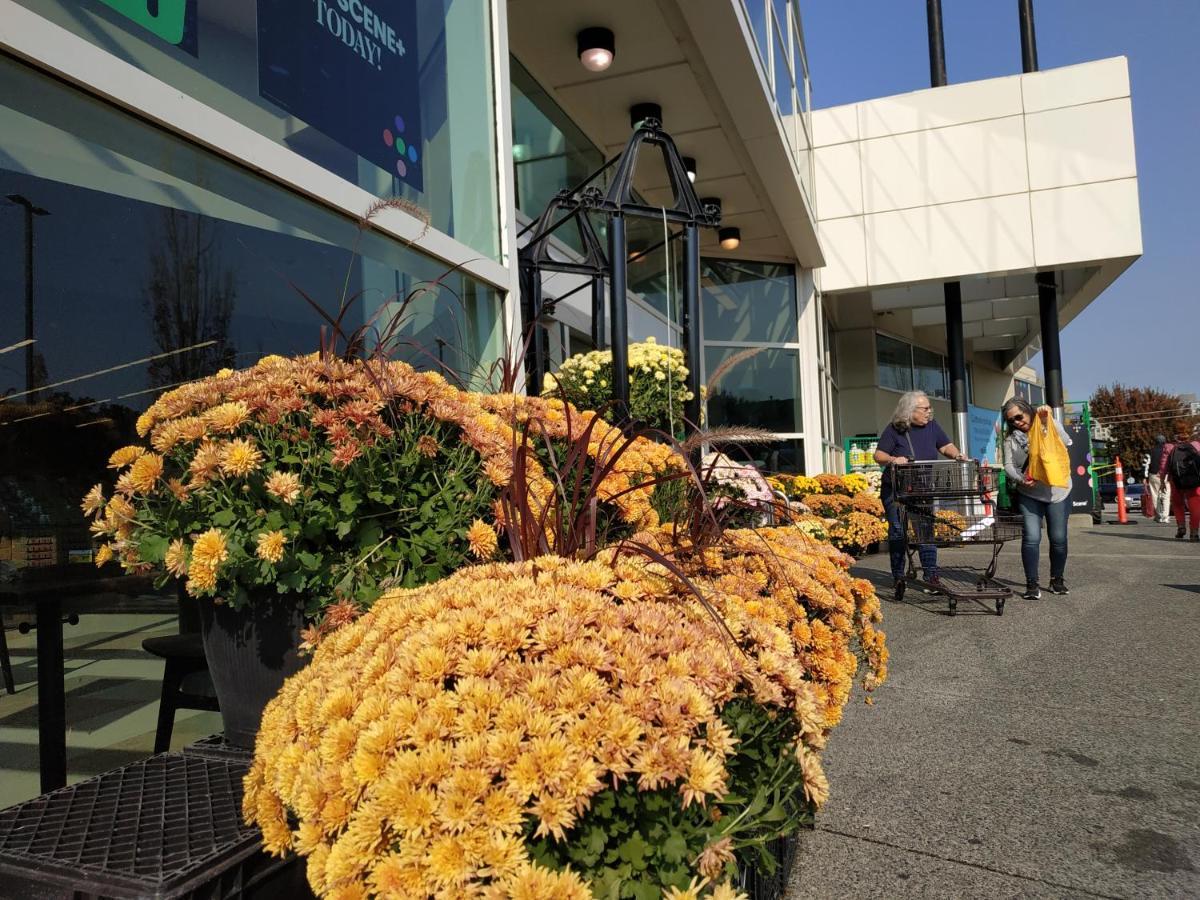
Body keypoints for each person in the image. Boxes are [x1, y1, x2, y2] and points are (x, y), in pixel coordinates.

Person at [874, 391, 967, 592]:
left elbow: (945, 445)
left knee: (925, 531)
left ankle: (931, 576)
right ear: (910, 410)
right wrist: (893, 459)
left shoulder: (932, 426)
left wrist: (957, 454)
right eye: (925, 408)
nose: (929, 412)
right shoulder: (894, 430)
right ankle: (898, 575)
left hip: (922, 488)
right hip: (896, 490)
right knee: (898, 531)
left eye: (929, 408)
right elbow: (879, 455)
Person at [1002, 398, 1072, 599]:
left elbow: (1066, 441)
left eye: (1019, 416)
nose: (1016, 422)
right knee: (1032, 538)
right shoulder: (1011, 440)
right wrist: (1021, 479)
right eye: (1011, 420)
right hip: (1030, 494)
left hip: (1057, 492)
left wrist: (1047, 420)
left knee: (1058, 539)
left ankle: (1057, 579)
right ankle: (1031, 584)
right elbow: (1008, 465)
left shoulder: (1046, 424)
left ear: (1028, 411)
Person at [1157, 425, 1200, 541]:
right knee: (1195, 507)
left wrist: (1162, 482)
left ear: (1174, 434)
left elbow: (1163, 466)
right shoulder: (1196, 445)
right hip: (1194, 482)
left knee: (1177, 504)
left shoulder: (1169, 447)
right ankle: (1194, 533)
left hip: (1176, 481)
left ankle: (1181, 527)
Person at [1147, 434, 1172, 523]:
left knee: (1155, 495)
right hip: (1165, 475)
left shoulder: (1151, 451)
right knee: (1166, 496)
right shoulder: (1168, 450)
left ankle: (1158, 515)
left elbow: (1146, 464)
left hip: (1153, 475)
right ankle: (1165, 516)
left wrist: (1144, 476)